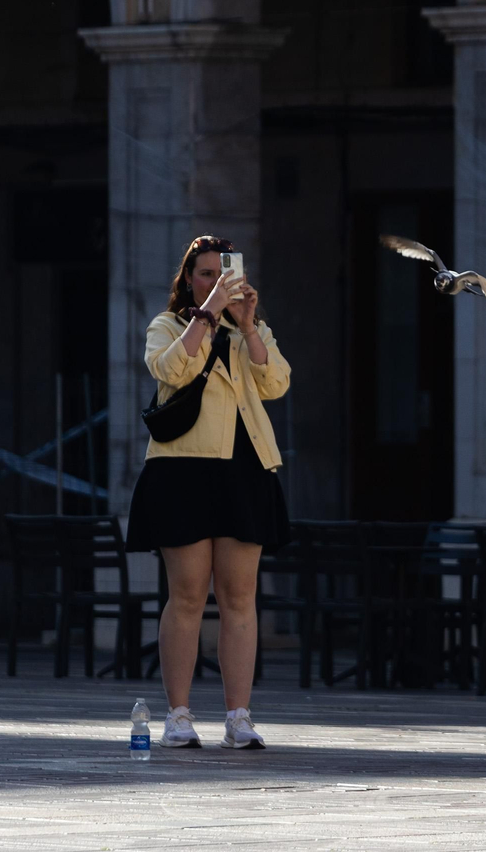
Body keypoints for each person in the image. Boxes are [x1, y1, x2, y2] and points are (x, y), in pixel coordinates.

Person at [126, 235, 293, 752]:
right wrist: (207, 313)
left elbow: (277, 383)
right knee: (189, 594)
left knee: (240, 597)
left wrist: (245, 324)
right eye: (204, 274)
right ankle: (178, 714)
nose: (215, 282)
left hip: (244, 468)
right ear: (187, 279)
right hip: (183, 470)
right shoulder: (168, 325)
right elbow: (172, 369)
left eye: (223, 274)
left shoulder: (251, 330)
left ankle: (238, 716)